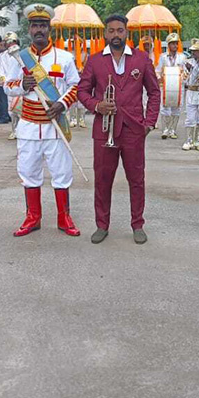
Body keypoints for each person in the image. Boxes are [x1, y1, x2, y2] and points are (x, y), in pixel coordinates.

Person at [78, 14, 161, 245]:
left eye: (120, 30)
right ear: (106, 34)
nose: (116, 35)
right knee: (102, 180)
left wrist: (150, 122)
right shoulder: (94, 61)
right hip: (104, 131)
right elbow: (82, 91)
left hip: (134, 130)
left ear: (127, 33)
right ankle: (101, 225)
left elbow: (154, 92)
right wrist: (97, 105)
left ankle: (137, 224)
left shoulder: (142, 59)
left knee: (137, 180)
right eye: (112, 31)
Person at [3, 4, 81, 237]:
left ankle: (63, 217)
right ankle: (32, 217)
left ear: (50, 29)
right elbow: (7, 86)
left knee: (61, 173)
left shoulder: (65, 57)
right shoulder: (18, 59)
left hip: (55, 127)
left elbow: (76, 86)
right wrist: (21, 85)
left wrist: (62, 104)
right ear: (29, 29)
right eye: (35, 25)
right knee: (29, 172)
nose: (39, 30)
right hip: (28, 125)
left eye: (43, 26)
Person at [156, 32, 185, 139]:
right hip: (166, 86)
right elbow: (158, 70)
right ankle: (165, 130)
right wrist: (159, 77)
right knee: (165, 107)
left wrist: (183, 76)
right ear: (168, 45)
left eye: (176, 43)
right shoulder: (163, 57)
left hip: (178, 86)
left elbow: (185, 72)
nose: (175, 46)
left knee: (176, 108)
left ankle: (173, 130)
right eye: (172, 44)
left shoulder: (182, 57)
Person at [0, 32, 21, 140]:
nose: (10, 44)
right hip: (10, 86)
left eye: (12, 42)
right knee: (11, 110)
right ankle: (14, 130)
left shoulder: (24, 53)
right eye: (8, 42)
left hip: (22, 85)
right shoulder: (2, 56)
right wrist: (4, 82)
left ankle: (22, 130)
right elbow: (1, 71)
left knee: (22, 109)